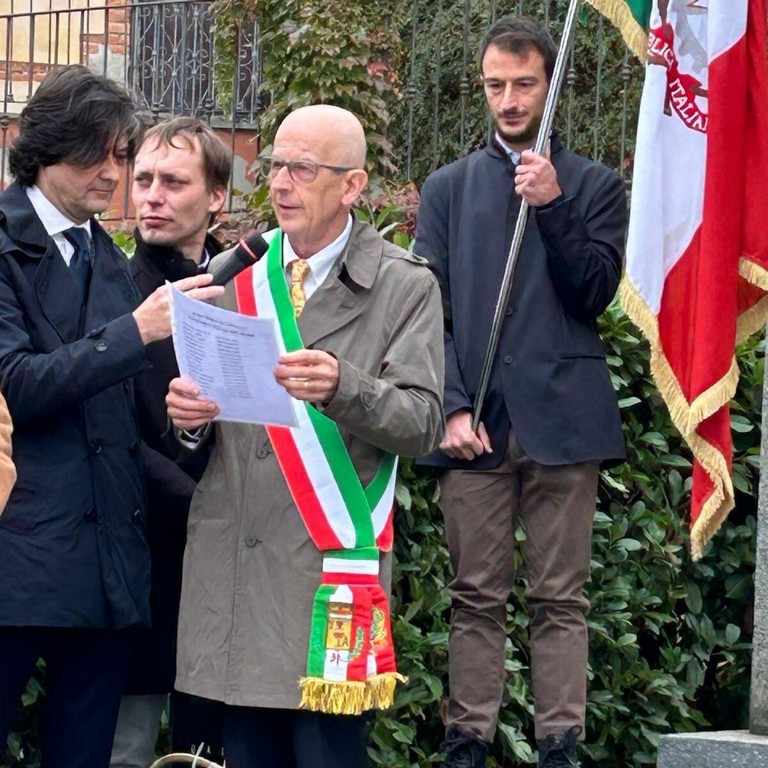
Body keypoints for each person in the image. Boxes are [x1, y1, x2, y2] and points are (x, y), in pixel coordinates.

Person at [165, 104, 445, 768]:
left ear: (352, 185)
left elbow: (424, 424)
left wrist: (345, 386)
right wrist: (188, 421)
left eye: (302, 168)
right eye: (275, 165)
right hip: (233, 568)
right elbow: (209, 425)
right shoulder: (234, 272)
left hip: (325, 578)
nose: (280, 183)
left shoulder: (404, 285)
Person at [414, 15, 627, 768]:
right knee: (474, 594)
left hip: (562, 424)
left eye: (524, 84)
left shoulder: (595, 185)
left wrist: (554, 204)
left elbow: (594, 291)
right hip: (475, 426)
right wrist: (450, 404)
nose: (508, 101)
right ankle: (467, 741)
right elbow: (427, 313)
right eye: (495, 85)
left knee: (560, 597)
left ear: (550, 85)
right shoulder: (447, 190)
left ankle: (560, 745)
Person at [0, 65, 222, 767]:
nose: (113, 173)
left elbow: (129, 417)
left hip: (109, 562)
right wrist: (134, 332)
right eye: (94, 155)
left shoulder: (105, 253)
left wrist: (185, 421)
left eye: (121, 155)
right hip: (20, 554)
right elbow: (15, 384)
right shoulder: (6, 249)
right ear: (43, 149)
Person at [109, 117, 230, 768]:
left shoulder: (251, 289)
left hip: (233, 566)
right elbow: (112, 437)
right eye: (144, 180)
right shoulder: (109, 289)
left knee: (211, 750)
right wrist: (206, 510)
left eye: (174, 182)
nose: (152, 197)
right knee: (125, 749)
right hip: (142, 558)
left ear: (217, 197)